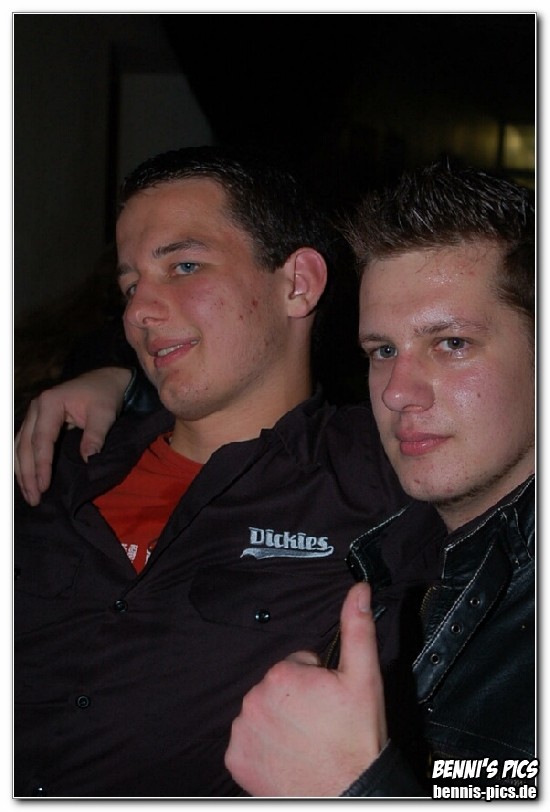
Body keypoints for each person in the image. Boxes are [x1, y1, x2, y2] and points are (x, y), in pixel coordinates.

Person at [14, 145, 412, 798]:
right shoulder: (57, 460)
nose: (138, 311)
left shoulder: (383, 474)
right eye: (130, 285)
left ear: (297, 284)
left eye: (184, 266)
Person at [223, 163, 536, 796]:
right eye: (383, 351)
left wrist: (356, 788)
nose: (396, 392)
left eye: (451, 343)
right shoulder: (393, 546)